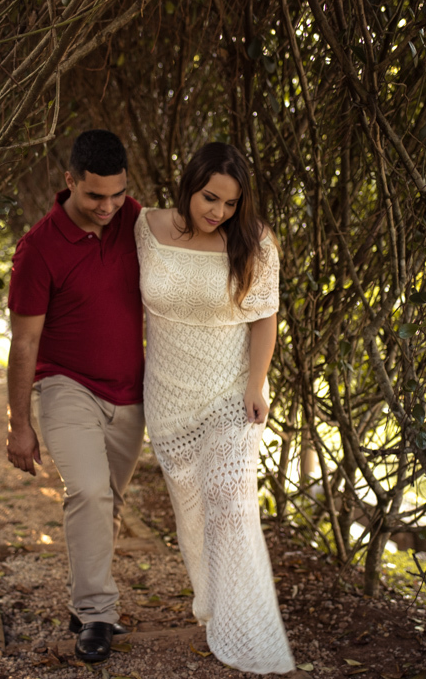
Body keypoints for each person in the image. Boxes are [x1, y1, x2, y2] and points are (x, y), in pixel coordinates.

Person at [135, 142, 295, 675]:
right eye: (209, 198)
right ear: (189, 185)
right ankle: (212, 604)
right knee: (192, 506)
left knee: (230, 496)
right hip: (168, 395)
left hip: (230, 391)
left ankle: (247, 626)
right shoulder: (148, 229)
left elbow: (265, 317)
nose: (218, 212)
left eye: (229, 204)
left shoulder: (255, 243)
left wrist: (258, 383)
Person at [5, 129, 143, 663]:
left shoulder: (136, 221)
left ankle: (85, 601)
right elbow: (25, 341)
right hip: (65, 385)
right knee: (87, 490)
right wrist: (20, 424)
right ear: (69, 182)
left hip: (130, 393)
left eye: (117, 194)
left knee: (108, 500)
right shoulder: (39, 247)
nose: (108, 207)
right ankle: (98, 615)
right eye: (95, 196)